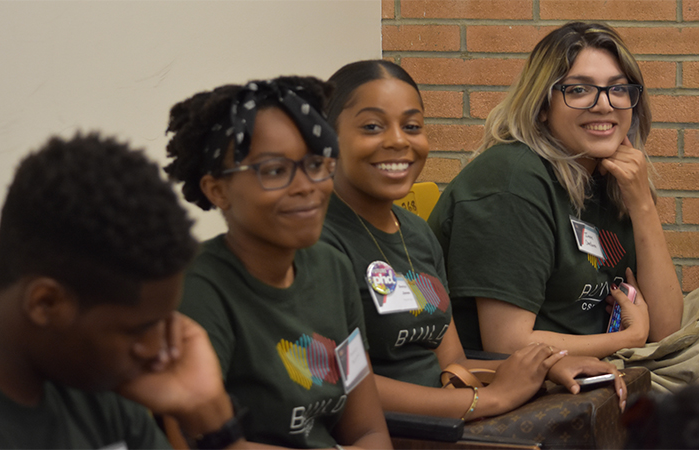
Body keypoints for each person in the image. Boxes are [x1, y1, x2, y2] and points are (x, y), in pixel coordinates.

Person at [320, 59, 625, 421]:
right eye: (372, 126)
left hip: (448, 415)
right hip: (402, 431)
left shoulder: (414, 234)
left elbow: (453, 362)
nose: (398, 141)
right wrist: (491, 400)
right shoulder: (318, 242)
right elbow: (345, 384)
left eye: (412, 126)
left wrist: (545, 368)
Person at [0, 133, 240, 448]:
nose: (158, 348)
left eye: (165, 320)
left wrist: (209, 415)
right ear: (45, 304)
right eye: (140, 329)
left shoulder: (93, 383)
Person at [427, 22, 684, 359]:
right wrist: (628, 338)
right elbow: (506, 344)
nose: (604, 105)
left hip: (592, 367)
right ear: (543, 106)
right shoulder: (512, 179)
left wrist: (642, 205)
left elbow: (666, 330)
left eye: (618, 89)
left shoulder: (614, 179)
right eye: (579, 90)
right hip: (511, 384)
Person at [164, 76, 391, 448]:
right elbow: (196, 442)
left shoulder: (332, 269)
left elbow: (368, 430)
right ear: (217, 190)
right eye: (274, 170)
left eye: (317, 163)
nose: (306, 186)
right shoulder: (198, 290)